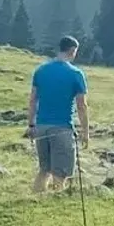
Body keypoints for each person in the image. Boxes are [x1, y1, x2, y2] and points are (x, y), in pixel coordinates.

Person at [28, 36, 90, 194]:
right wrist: (85, 132)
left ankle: (35, 200)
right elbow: (82, 106)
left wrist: (31, 125)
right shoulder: (76, 74)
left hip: (41, 127)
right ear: (72, 51)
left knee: (44, 170)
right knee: (60, 173)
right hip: (62, 128)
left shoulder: (40, 70)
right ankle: (55, 203)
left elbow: (33, 100)